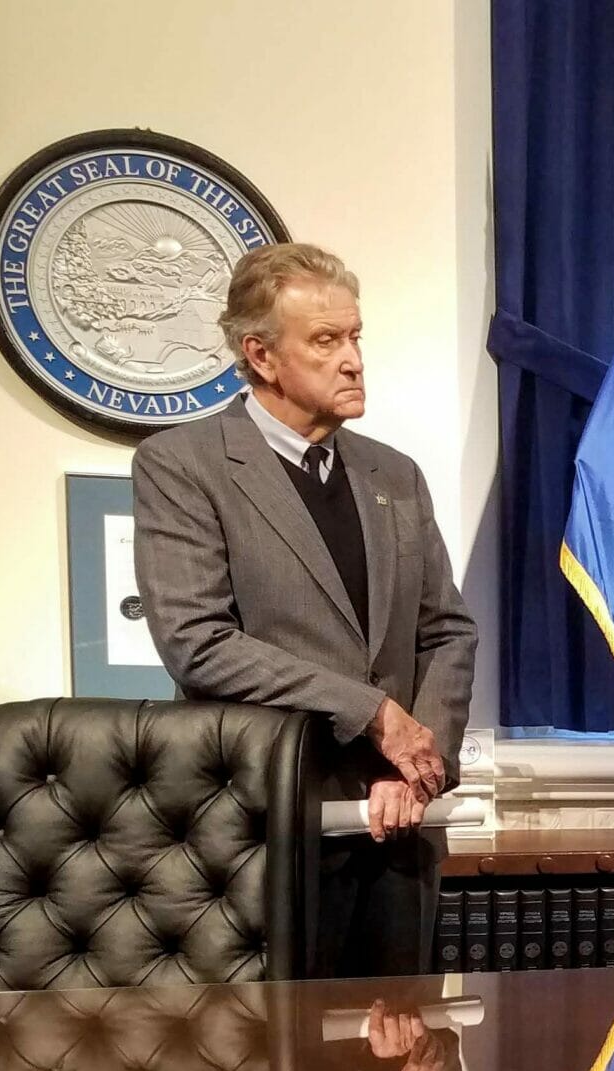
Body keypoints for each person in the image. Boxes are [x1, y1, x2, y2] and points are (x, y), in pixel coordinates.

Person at [134, 243, 477, 977]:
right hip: (262, 829)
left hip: (399, 830)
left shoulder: (395, 473)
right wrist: (376, 713)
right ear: (260, 355)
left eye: (355, 336)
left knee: (399, 1068)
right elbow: (198, 642)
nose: (353, 359)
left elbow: (446, 629)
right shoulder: (181, 465)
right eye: (325, 340)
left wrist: (419, 767)